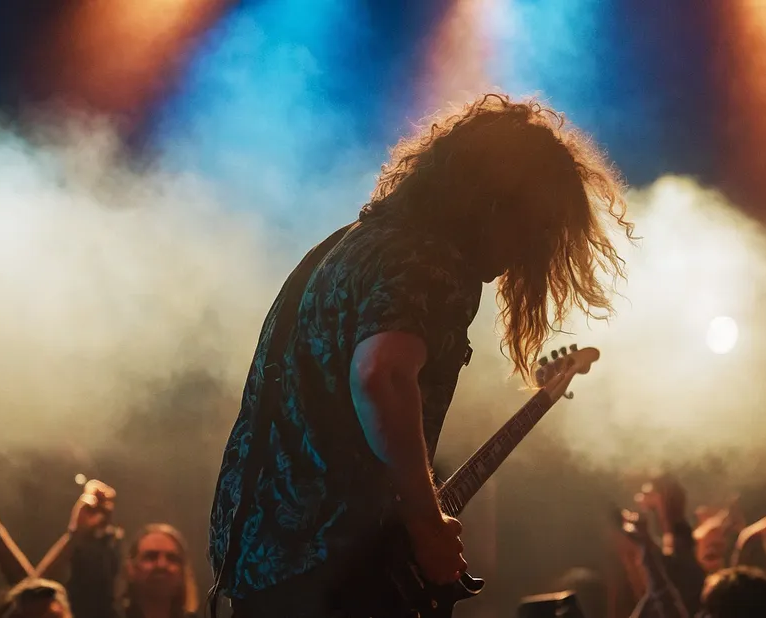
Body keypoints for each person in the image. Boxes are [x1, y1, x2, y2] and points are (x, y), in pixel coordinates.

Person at [208, 92, 634, 617]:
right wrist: (426, 525)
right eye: (534, 230)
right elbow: (382, 375)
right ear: (497, 203)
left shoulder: (347, 246)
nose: (525, 255)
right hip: (337, 573)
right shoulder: (431, 259)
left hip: (262, 563)